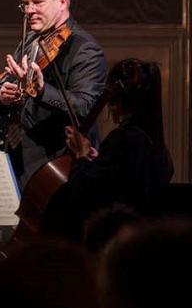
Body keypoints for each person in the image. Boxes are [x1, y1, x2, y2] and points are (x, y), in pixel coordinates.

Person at [0, 0, 106, 188]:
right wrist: (1, 96)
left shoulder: (85, 49)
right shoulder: (29, 41)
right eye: (25, 3)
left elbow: (86, 107)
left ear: (62, 2)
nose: (29, 10)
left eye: (37, 2)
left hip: (59, 168)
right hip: (20, 163)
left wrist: (42, 91)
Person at [44, 59, 174, 240]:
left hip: (111, 246)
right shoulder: (158, 147)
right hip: (144, 244)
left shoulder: (120, 140)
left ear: (116, 102)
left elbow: (81, 198)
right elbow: (119, 181)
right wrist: (99, 160)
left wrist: (80, 156)